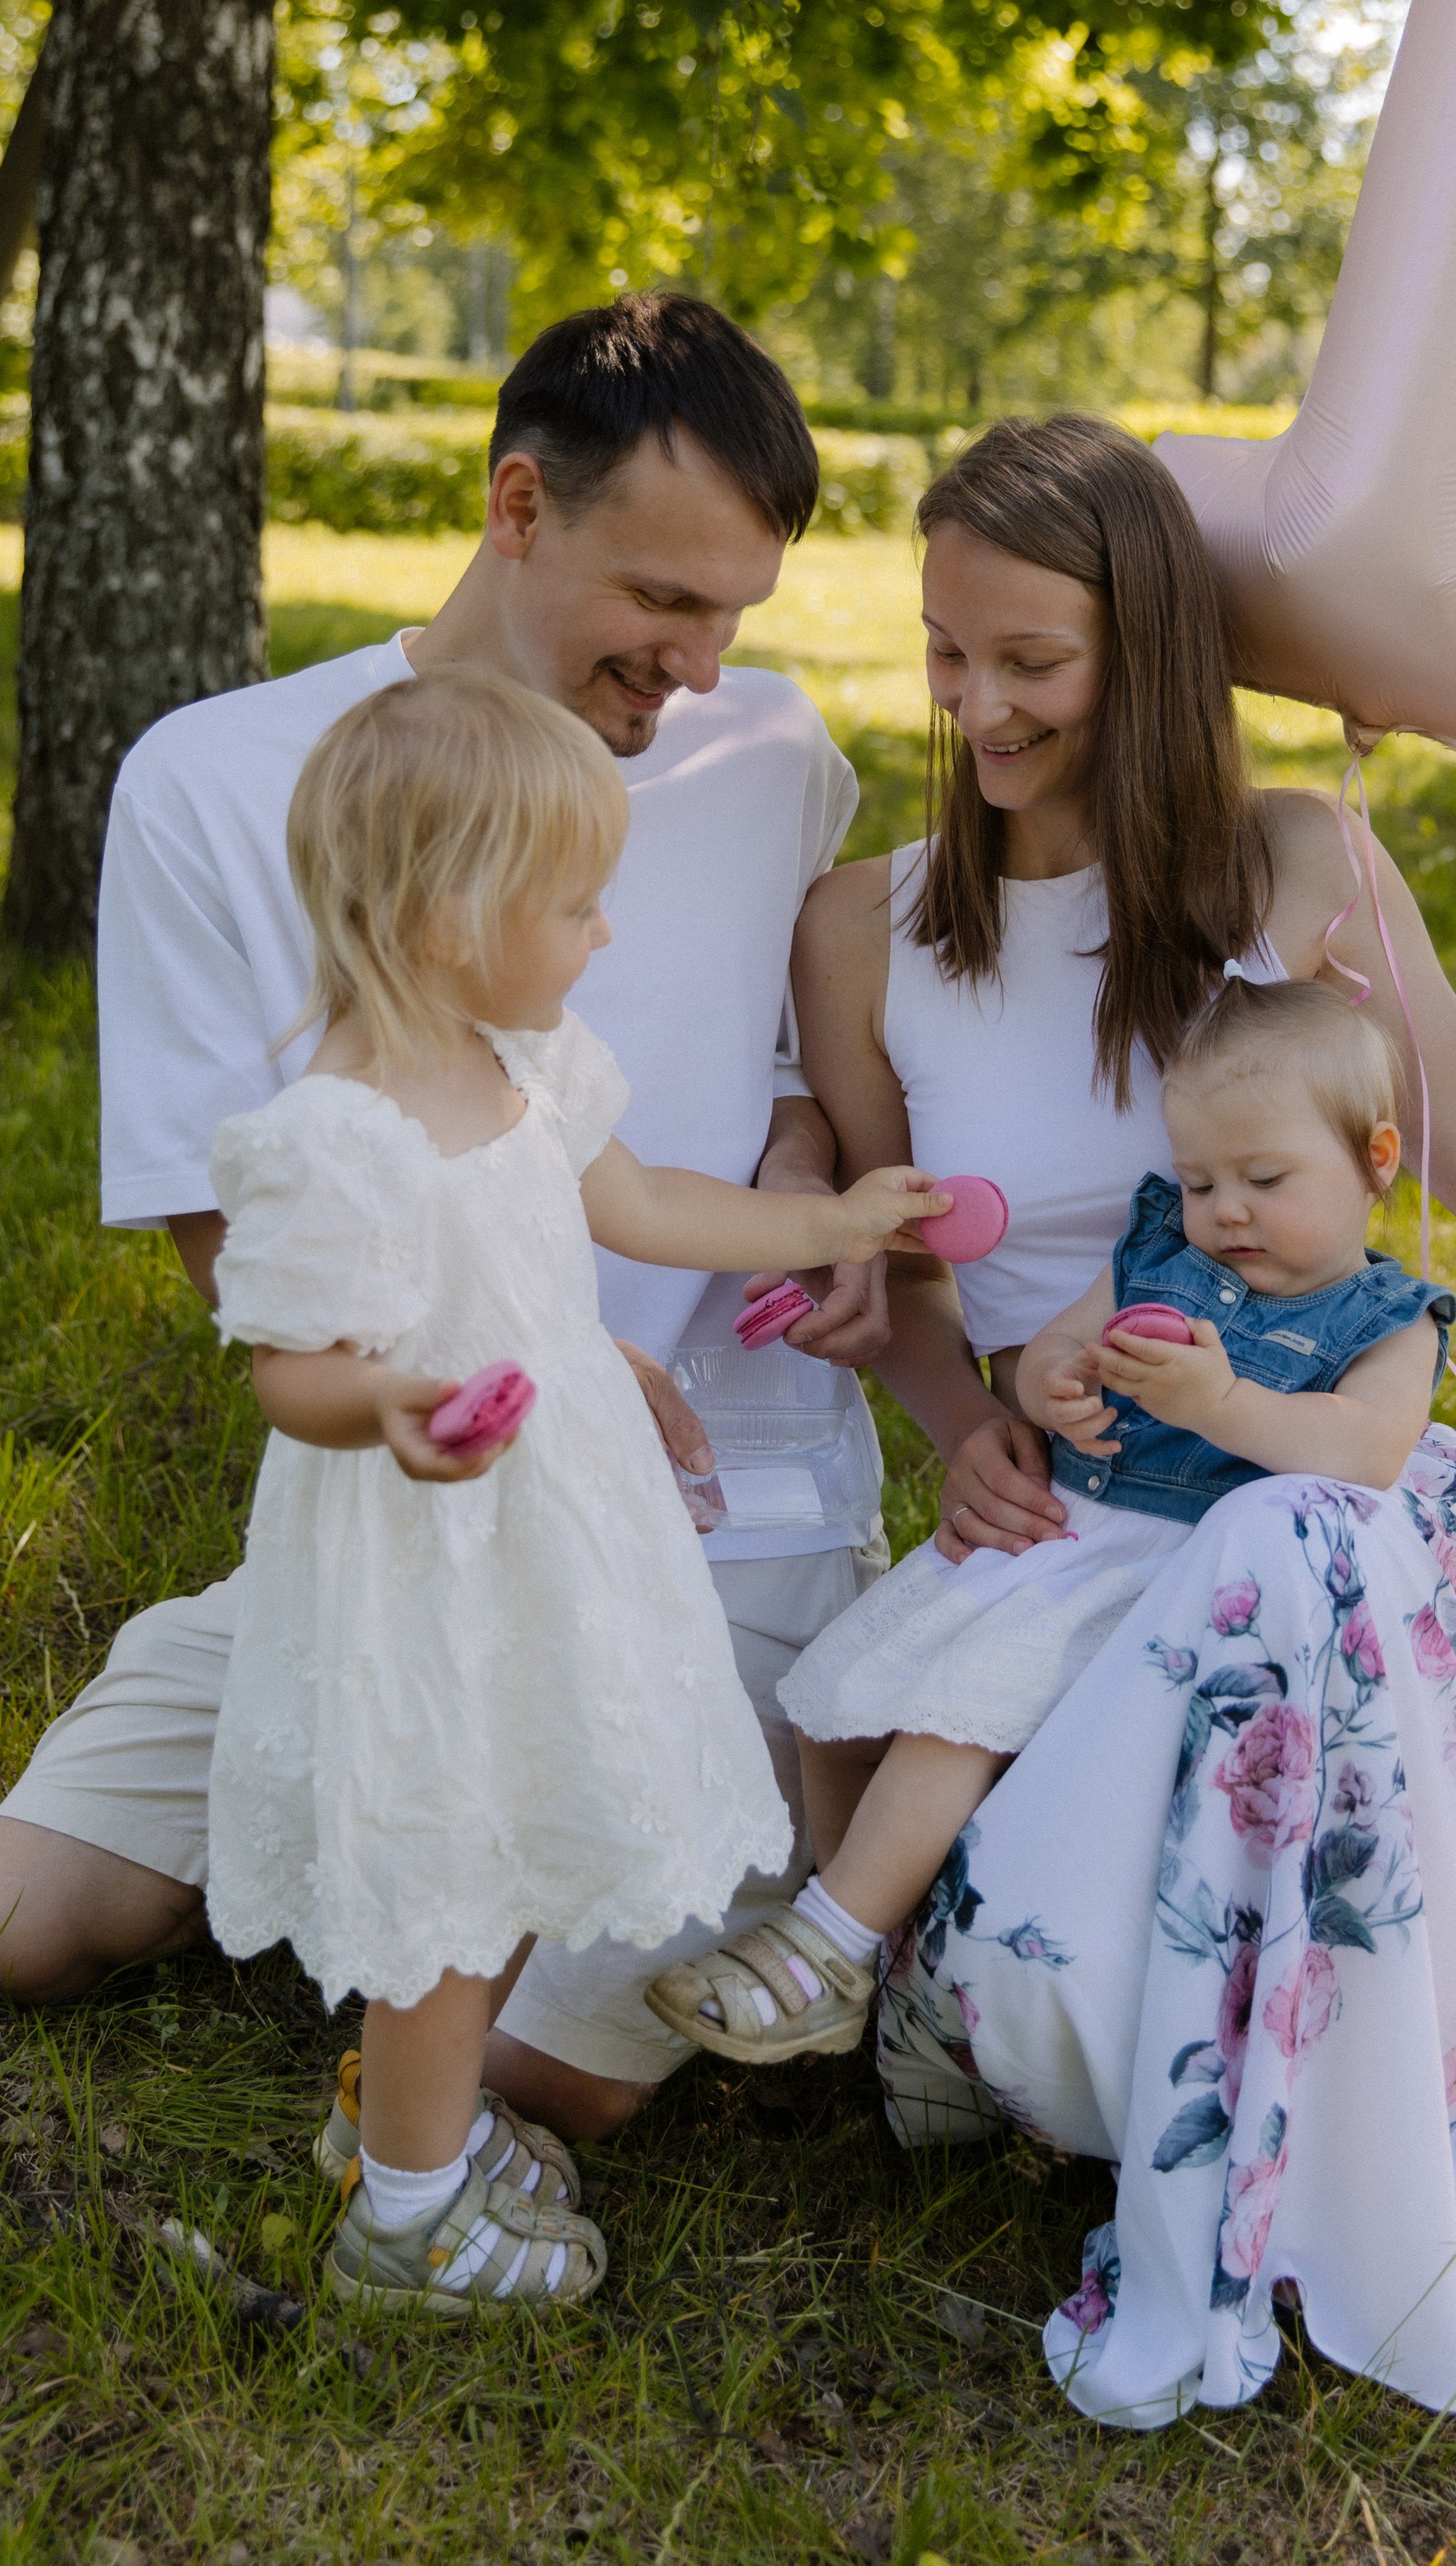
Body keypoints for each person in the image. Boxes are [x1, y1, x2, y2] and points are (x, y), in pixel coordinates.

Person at [737, 411, 1456, 2415]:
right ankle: (974, 2000)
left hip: (1309, 1509)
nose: (975, 704)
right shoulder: (864, 926)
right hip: (1071, 1513)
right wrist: (968, 1429)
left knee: (1281, 1543)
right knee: (992, 1908)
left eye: (1031, 658)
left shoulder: (1289, 873)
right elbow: (905, 1269)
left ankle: (1144, 2070)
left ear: (1151, 649)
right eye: (945, 649)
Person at [0, 292, 890, 2147]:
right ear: (518, 508)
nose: (698, 665)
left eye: (734, 616)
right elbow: (232, 1240)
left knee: (550, 2077)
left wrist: (807, 1180)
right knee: (17, 1929)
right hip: (414, 1513)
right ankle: (354, 1785)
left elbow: (788, 1066)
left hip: (710, 1536)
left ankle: (456, 1929)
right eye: (663, 604)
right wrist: (538, 1347)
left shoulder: (772, 757)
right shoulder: (221, 781)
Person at [203, 667, 938, 2310]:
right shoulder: (336, 1131)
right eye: (576, 902)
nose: (602, 934)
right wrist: (391, 1405)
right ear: (449, 913)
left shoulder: (523, 1057)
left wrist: (828, 1224)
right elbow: (288, 1368)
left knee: (527, 1840)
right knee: (450, 1882)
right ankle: (408, 2222)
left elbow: (642, 1203)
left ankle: (410, 2131)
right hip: (429, 1554)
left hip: (555, 1531)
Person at [645, 977, 1454, 2061]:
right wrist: (1060, 1389)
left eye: (1265, 1178)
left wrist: (1223, 1405)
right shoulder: (1166, 1252)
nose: (1228, 1210)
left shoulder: (1388, 1318)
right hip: (1063, 1527)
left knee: (951, 1720)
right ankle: (883, 1973)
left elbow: (1371, 1447)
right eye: (1203, 1178)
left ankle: (822, 1943)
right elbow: (1058, 1353)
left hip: (1172, 1574)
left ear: (1376, 1159)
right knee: (836, 1710)